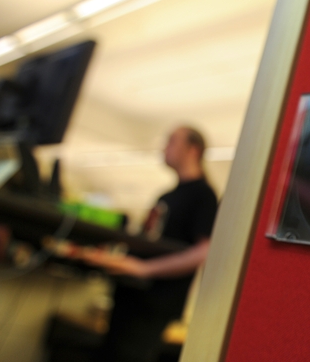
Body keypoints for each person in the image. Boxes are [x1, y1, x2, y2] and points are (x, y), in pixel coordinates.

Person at [83, 126, 218, 362]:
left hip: (155, 303)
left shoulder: (203, 195)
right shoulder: (168, 196)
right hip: (132, 295)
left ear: (192, 150)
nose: (165, 147)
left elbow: (203, 251)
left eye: (172, 142)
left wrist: (144, 269)